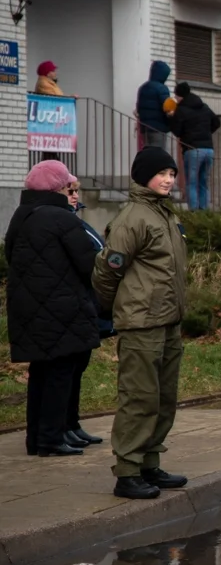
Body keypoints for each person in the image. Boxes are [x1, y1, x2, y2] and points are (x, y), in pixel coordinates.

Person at [93, 146, 188, 500]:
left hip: (167, 321)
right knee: (139, 397)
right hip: (142, 323)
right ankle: (128, 471)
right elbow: (107, 269)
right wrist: (111, 307)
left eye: (172, 174)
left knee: (164, 397)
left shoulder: (164, 214)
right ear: (143, 176)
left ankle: (149, 462)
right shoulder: (134, 217)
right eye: (161, 173)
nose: (168, 179)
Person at [5, 161, 100, 457]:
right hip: (62, 309)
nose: (70, 191)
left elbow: (11, 256)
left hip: (29, 309)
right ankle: (52, 438)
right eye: (67, 186)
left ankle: (37, 438)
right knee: (60, 373)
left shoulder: (21, 216)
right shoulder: (62, 218)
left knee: (42, 373)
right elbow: (88, 265)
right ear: (58, 187)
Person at [67, 181, 116, 446]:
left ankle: (71, 423)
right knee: (67, 371)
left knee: (78, 369)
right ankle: (62, 426)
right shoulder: (66, 224)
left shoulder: (79, 222)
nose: (75, 196)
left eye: (77, 191)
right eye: (70, 191)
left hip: (89, 307)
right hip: (76, 306)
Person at [168, 81, 220, 211]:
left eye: (176, 96)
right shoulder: (204, 107)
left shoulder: (181, 109)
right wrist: (207, 133)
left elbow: (177, 131)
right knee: (203, 182)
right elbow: (216, 122)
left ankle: (193, 212)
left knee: (191, 183)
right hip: (209, 149)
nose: (176, 98)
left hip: (192, 150)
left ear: (181, 96)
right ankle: (204, 211)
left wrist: (170, 118)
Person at [135, 61, 171, 147]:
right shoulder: (162, 88)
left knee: (148, 153)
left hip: (145, 128)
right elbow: (167, 107)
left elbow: (138, 107)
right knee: (158, 155)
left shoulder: (143, 87)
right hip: (158, 128)